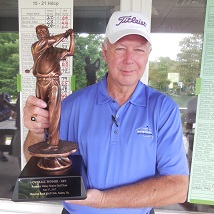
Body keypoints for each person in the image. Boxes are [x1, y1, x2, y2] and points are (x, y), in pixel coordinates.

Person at [23, 11, 189, 214]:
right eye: (120, 49)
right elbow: (36, 163)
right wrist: (36, 131)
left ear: (148, 55)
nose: (129, 59)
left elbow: (178, 188)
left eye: (138, 50)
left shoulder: (163, 109)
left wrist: (102, 200)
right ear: (104, 52)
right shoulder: (70, 105)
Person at [31, 24, 74, 150]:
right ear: (37, 35)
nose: (42, 33)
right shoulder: (36, 47)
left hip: (54, 81)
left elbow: (71, 52)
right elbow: (47, 41)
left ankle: (53, 142)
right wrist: (64, 34)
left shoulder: (55, 51)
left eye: (44, 30)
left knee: (54, 110)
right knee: (40, 111)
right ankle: (43, 140)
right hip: (40, 82)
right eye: (39, 31)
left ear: (48, 32)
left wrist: (71, 36)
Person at [0, 93, 16, 162]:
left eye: (6, 102)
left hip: (4, 126)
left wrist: (13, 115)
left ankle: (4, 153)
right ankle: (2, 154)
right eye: (4, 101)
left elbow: (13, 116)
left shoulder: (6, 107)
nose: (5, 104)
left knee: (4, 135)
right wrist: (5, 114)